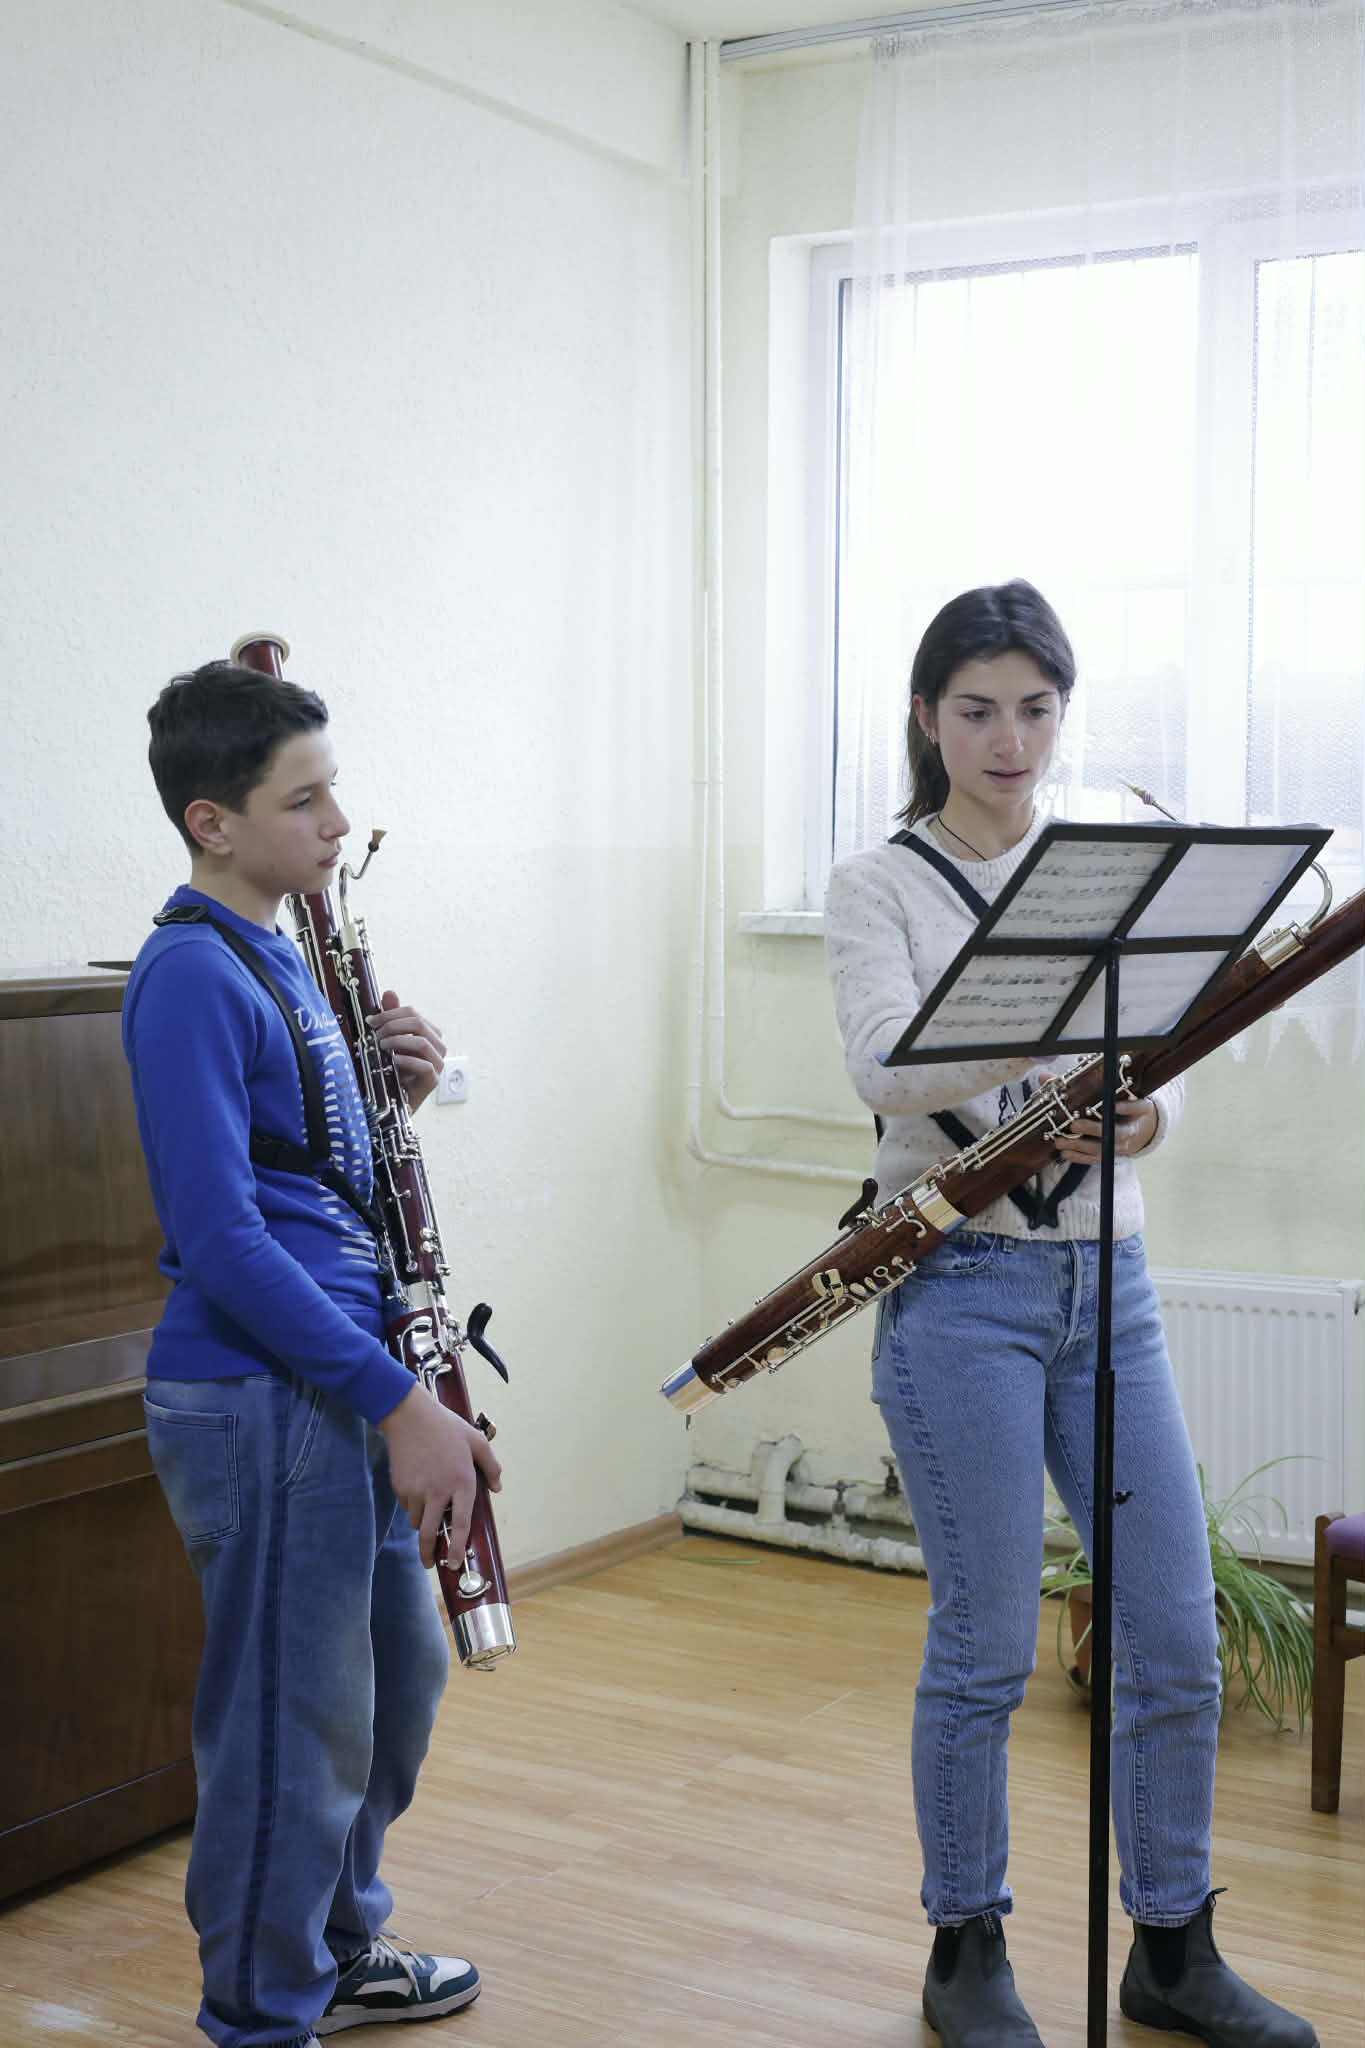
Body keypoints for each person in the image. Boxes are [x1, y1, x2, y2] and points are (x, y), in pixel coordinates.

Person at [823, 582, 1317, 2048]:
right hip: (960, 1294)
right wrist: (1049, 1029)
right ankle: (964, 1949)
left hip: (1114, 1290)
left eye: (1036, 709)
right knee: (982, 1644)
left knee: (1171, 1631)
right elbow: (881, 1065)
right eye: (977, 709)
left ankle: (1172, 1946)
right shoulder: (879, 884)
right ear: (927, 718)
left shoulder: (1100, 870)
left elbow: (1155, 1069)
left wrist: (1142, 1114)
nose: (1010, 740)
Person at [123, 660, 501, 2048]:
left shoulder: (279, 953)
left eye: (334, 790)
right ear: (213, 821)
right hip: (262, 1392)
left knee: (392, 1689)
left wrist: (392, 1089)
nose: (338, 822)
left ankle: (333, 1952)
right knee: (290, 1729)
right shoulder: (189, 973)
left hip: (332, 1379)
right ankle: (258, 2012)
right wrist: (403, 1406)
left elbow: (307, 1175)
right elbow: (222, 1240)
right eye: (305, 800)